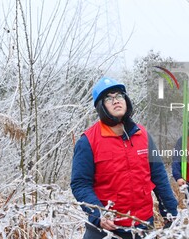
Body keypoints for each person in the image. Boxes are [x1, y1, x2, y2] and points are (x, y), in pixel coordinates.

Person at [71, 77, 178, 239]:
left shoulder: (143, 135)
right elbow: (80, 184)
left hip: (142, 226)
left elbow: (159, 176)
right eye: (109, 98)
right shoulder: (87, 141)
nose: (116, 101)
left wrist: (170, 212)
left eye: (119, 95)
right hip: (105, 230)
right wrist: (99, 213)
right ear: (100, 106)